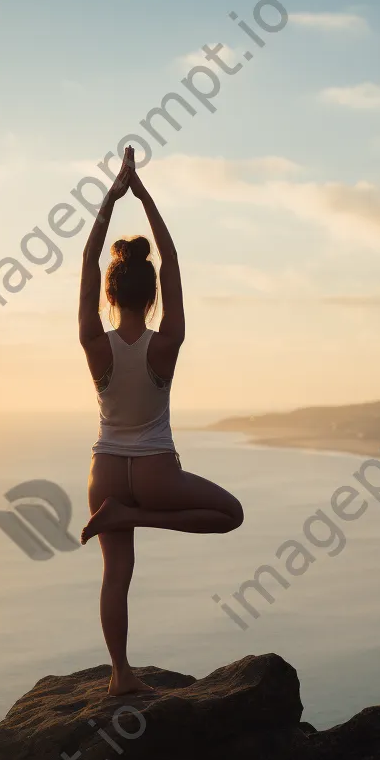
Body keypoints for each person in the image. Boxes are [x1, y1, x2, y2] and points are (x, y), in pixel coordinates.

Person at [78, 145, 244, 696]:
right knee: (230, 515)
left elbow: (86, 260)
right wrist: (143, 194)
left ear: (108, 292)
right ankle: (133, 516)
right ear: (152, 297)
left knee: (115, 577)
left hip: (104, 471)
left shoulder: (93, 344)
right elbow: (171, 261)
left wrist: (111, 194)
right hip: (154, 471)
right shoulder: (165, 344)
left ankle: (120, 673)